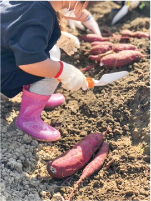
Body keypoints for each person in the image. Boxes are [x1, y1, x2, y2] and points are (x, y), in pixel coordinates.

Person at [0, 0, 91, 142]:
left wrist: (55, 37)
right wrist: (64, 71)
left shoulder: (37, 5)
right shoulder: (41, 14)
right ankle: (29, 119)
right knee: (51, 65)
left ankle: (37, 94)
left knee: (48, 53)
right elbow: (31, 62)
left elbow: (14, 24)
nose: (83, 9)